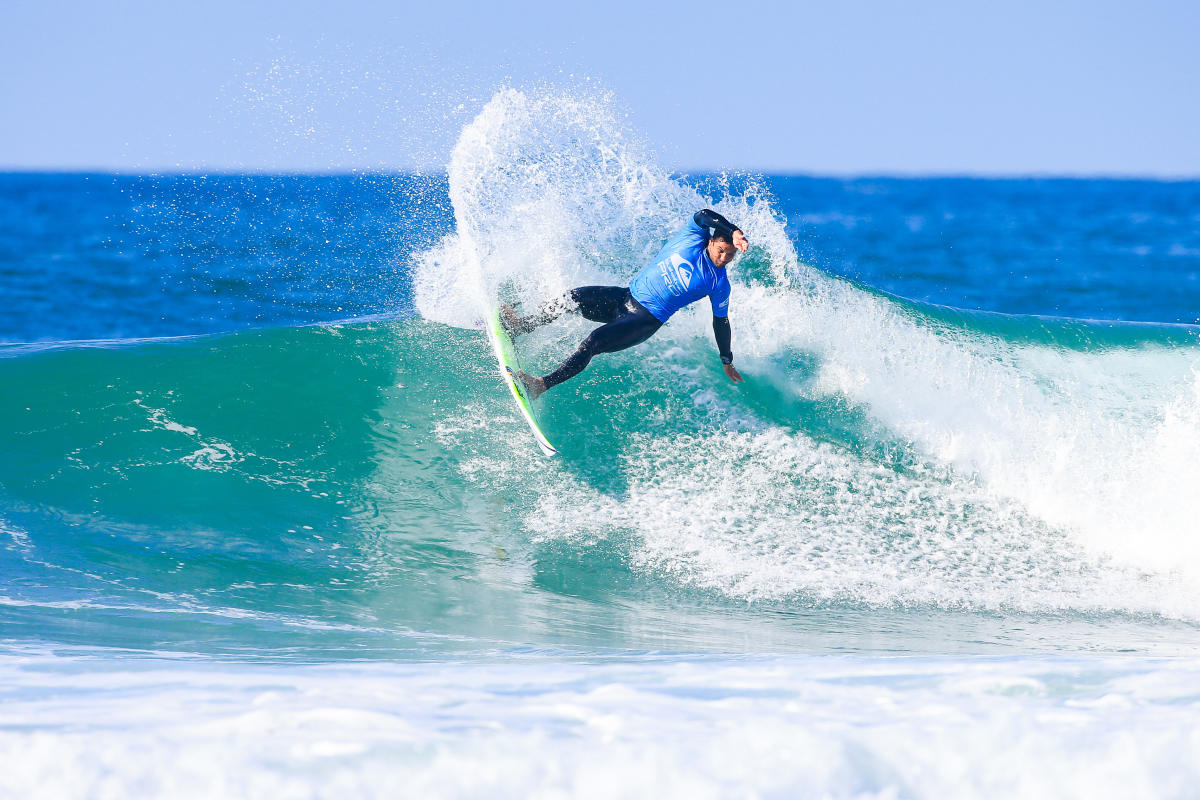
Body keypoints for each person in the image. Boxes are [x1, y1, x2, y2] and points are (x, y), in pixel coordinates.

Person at [502, 209, 747, 399]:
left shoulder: (719, 284)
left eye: (730, 255)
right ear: (711, 242)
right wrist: (734, 231)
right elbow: (703, 215)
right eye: (721, 250)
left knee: (592, 343)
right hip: (625, 298)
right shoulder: (692, 236)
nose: (724, 258)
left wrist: (727, 359)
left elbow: (721, 321)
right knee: (571, 297)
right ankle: (522, 326)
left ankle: (540, 385)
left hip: (643, 320)